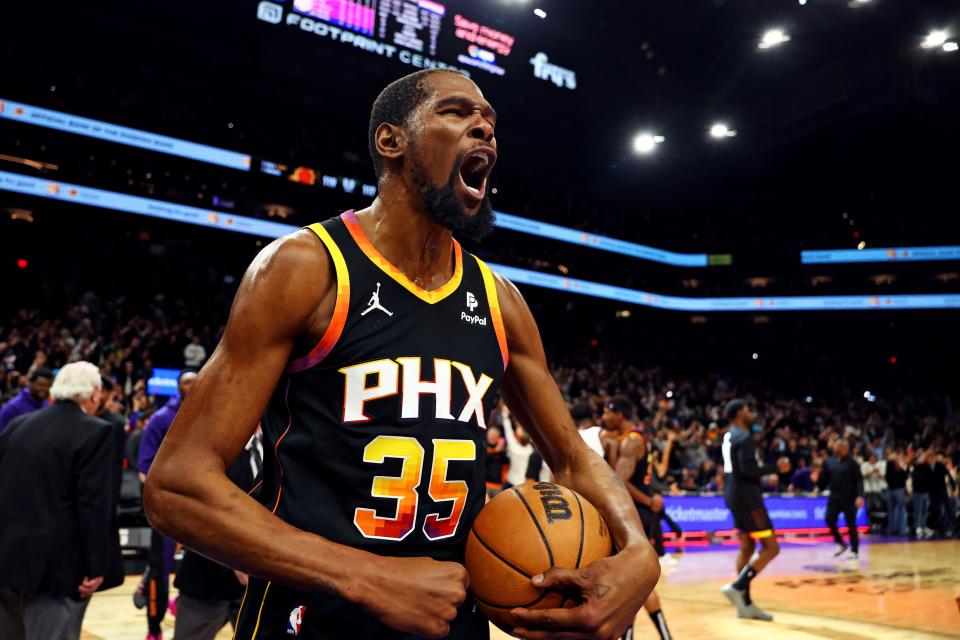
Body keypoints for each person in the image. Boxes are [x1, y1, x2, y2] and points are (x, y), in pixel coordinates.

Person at [145, 68, 659, 640]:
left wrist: (640, 550)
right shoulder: (306, 268)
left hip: (451, 621)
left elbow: (571, 457)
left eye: (490, 121)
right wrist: (363, 575)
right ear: (391, 141)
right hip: (311, 619)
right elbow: (177, 486)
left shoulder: (499, 301)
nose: (485, 129)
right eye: (458, 113)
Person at [0, 362, 115, 640]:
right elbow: (93, 503)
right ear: (95, 394)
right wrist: (96, 565)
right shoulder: (96, 430)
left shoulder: (18, 425)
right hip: (58, 568)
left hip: (9, 561)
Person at [172, 432, 261, 640]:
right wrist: (237, 559)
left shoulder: (278, 443)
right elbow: (197, 513)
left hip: (260, 583)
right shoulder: (211, 446)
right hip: (207, 576)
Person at [137, 370, 199, 640]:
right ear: (177, 387)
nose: (193, 385)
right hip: (169, 507)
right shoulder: (162, 418)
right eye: (187, 381)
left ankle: (181, 601)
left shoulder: (208, 415)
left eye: (197, 381)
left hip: (199, 505)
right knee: (160, 571)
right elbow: (144, 468)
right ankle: (153, 626)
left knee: (199, 564)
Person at [608, 396, 673, 640]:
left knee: (632, 583)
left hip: (636, 515)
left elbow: (619, 481)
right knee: (637, 584)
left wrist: (648, 501)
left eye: (607, 412)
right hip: (639, 513)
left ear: (620, 415)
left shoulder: (631, 442)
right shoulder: (633, 439)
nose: (604, 417)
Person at [720, 399, 783, 621]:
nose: (750, 412)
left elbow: (738, 470)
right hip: (749, 500)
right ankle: (738, 586)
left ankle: (744, 605)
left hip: (733, 495)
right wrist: (776, 468)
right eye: (747, 409)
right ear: (739, 413)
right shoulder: (744, 438)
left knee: (747, 547)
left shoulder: (729, 436)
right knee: (771, 547)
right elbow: (748, 470)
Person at [817, 439, 864, 559]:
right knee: (829, 519)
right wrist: (817, 482)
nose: (836, 448)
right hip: (834, 497)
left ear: (845, 448)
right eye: (835, 446)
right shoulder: (829, 462)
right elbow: (824, 480)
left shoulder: (852, 463)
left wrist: (860, 496)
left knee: (851, 524)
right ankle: (841, 543)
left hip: (850, 498)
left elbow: (859, 480)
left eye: (839, 446)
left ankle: (854, 551)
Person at [0, 366, 53, 434]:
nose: (45, 389)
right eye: (41, 385)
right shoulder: (13, 407)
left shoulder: (45, 402)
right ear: (30, 383)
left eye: (49, 386)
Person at [885, 450, 910, 536]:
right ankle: (895, 529)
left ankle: (901, 529)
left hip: (898, 489)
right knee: (895, 511)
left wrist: (903, 466)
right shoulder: (890, 466)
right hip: (893, 490)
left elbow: (906, 476)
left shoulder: (900, 468)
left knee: (900, 511)